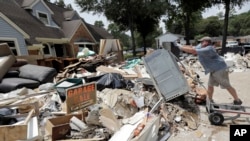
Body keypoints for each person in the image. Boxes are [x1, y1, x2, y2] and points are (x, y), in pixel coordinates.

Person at [176, 36, 242, 105]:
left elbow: (193, 51)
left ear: (206, 42)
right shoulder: (202, 46)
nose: (200, 43)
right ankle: (209, 101)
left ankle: (237, 100)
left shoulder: (209, 49)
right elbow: (192, 47)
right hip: (213, 69)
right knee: (210, 85)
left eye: (202, 42)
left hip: (219, 69)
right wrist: (180, 45)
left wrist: (179, 47)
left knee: (226, 85)